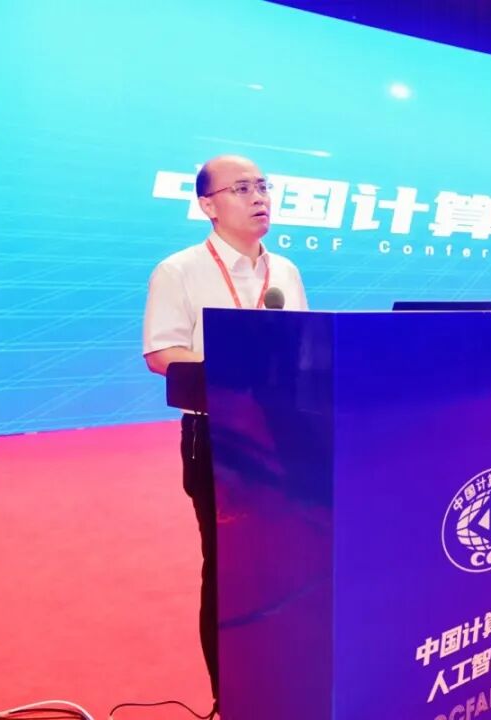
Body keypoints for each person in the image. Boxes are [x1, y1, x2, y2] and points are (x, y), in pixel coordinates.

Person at [142, 154, 308, 711]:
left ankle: (285, 678)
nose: (259, 197)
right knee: (229, 566)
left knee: (288, 557)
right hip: (218, 436)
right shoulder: (179, 271)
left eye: (262, 186)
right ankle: (231, 698)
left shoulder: (286, 272)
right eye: (241, 188)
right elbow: (162, 352)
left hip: (288, 434)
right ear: (207, 206)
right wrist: (236, 370)